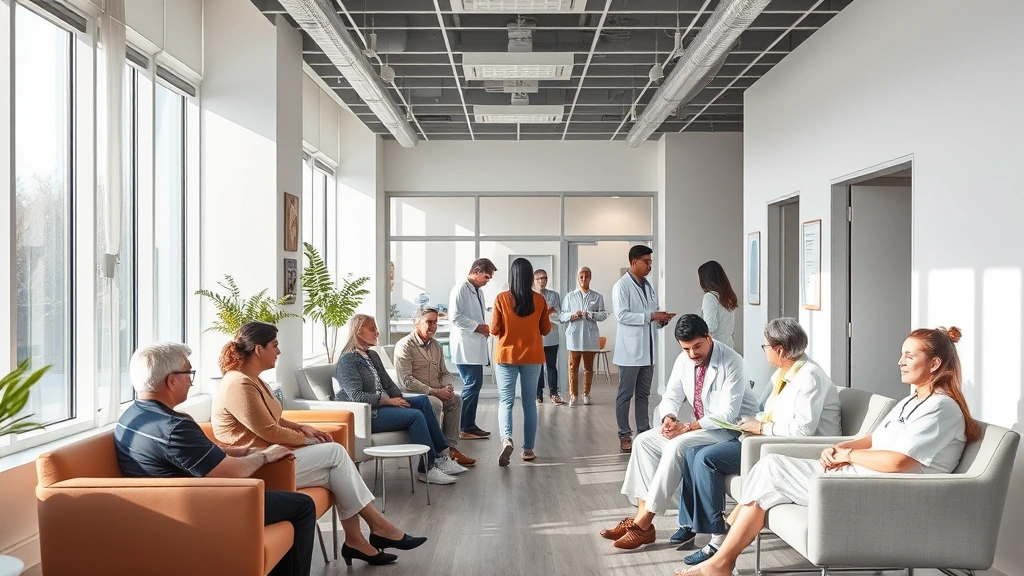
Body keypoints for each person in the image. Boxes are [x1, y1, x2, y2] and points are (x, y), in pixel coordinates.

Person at [677, 326, 977, 576]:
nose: (900, 361)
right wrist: (843, 447)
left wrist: (849, 456)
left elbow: (899, 462)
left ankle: (721, 554)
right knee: (770, 474)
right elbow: (875, 439)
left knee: (771, 468)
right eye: (902, 354)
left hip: (889, 490)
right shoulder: (911, 401)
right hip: (861, 476)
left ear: (935, 364)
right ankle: (722, 561)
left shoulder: (941, 408)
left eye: (909, 356)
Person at [212, 322, 427, 567]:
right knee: (335, 454)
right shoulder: (238, 384)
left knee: (335, 473)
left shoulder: (253, 380)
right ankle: (377, 529)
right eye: (275, 346)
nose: (279, 352)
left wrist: (301, 427)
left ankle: (358, 541)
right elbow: (269, 431)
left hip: (273, 455)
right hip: (258, 464)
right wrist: (308, 440)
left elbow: (272, 418)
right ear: (258, 349)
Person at [114, 342, 316, 576]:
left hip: (157, 508)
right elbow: (232, 473)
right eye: (188, 373)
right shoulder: (175, 427)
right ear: (171, 381)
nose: (191, 380)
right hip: (196, 511)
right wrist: (264, 456)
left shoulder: (133, 415)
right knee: (303, 506)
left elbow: (197, 453)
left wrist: (242, 451)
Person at [673, 318, 841, 565]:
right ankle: (695, 524)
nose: (764, 351)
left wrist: (761, 427)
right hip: (766, 438)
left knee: (706, 458)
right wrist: (749, 423)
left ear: (780, 350)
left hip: (796, 449)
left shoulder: (810, 377)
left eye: (766, 346)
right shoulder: (783, 373)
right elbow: (763, 409)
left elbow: (803, 431)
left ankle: (717, 538)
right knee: (692, 452)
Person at [601, 314, 757, 550]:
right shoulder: (684, 360)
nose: (693, 354)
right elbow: (671, 396)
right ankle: (642, 518)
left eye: (697, 346)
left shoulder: (732, 361)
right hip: (700, 427)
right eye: (687, 349)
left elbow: (727, 415)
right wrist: (669, 419)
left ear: (708, 337)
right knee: (644, 441)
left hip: (729, 430)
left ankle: (643, 523)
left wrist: (687, 427)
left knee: (676, 445)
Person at [334, 314, 465, 485]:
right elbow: (356, 397)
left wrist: (398, 398)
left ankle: (442, 458)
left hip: (381, 407)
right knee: (415, 416)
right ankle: (426, 469)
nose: (377, 333)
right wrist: (388, 401)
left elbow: (389, 385)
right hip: (367, 415)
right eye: (372, 329)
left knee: (423, 402)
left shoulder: (372, 355)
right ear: (358, 332)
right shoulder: (348, 360)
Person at [612, 245, 676, 452]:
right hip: (629, 352)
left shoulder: (648, 286)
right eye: (645, 262)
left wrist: (661, 320)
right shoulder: (621, 286)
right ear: (633, 262)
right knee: (625, 395)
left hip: (648, 351)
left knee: (643, 395)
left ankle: (644, 432)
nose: (649, 266)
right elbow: (622, 316)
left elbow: (651, 314)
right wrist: (651, 317)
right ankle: (624, 435)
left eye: (650, 262)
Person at [393, 306, 476, 466]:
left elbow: (443, 373)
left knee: (456, 400)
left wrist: (447, 387)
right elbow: (406, 380)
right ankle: (435, 453)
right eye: (429, 322)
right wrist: (434, 392)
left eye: (435, 322)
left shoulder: (435, 345)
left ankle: (450, 449)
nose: (433, 326)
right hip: (415, 395)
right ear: (417, 323)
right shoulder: (405, 345)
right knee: (435, 403)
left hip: (435, 391)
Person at [490, 257, 552, 466]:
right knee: (529, 404)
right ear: (530, 277)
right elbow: (545, 330)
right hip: (532, 357)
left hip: (507, 356)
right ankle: (528, 450)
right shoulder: (540, 300)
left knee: (506, 402)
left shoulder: (501, 299)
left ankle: (506, 438)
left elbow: (493, 330)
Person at [449, 258, 497, 440]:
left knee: (474, 384)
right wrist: (479, 327)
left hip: (474, 345)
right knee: (472, 384)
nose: (487, 280)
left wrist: (483, 327)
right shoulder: (460, 288)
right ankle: (464, 427)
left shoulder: (478, 291)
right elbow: (455, 317)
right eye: (486, 276)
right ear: (476, 271)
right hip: (465, 346)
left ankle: (469, 425)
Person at [559, 266, 608, 406]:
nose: (583, 279)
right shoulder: (570, 296)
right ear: (577, 278)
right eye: (581, 277)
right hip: (574, 335)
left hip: (590, 336)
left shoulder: (597, 296)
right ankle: (573, 395)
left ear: (590, 277)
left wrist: (591, 314)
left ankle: (586, 394)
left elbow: (604, 314)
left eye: (586, 277)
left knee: (588, 367)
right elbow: (562, 316)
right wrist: (573, 315)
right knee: (573, 367)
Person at [533, 268, 565, 406]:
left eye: (544, 278)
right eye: (539, 278)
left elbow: (558, 315)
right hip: (535, 337)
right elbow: (531, 318)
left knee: (551, 366)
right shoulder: (530, 296)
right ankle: (538, 394)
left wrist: (544, 314)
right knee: (537, 367)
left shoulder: (554, 295)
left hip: (551, 336)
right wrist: (547, 312)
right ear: (534, 281)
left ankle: (554, 393)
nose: (542, 281)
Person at [697, 261, 738, 348]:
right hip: (729, 344)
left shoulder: (710, 297)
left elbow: (709, 326)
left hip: (715, 346)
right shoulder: (727, 297)